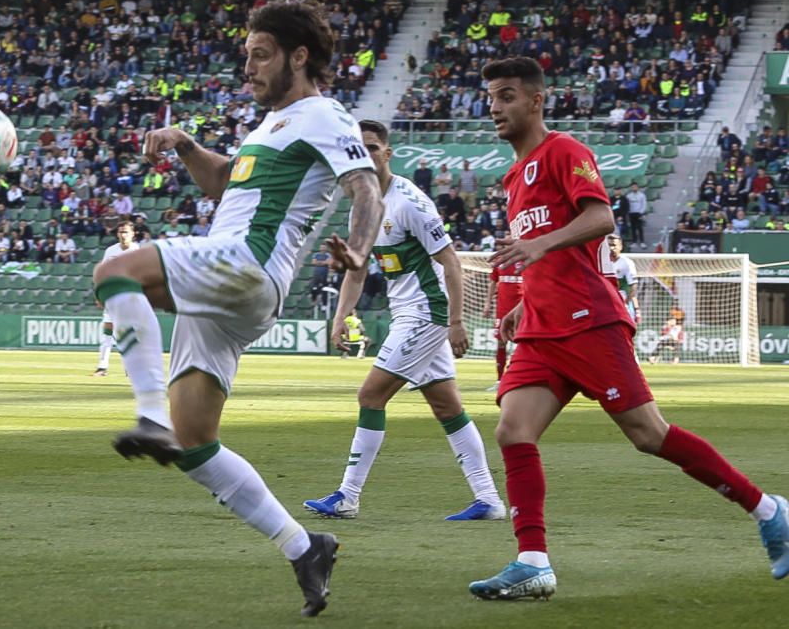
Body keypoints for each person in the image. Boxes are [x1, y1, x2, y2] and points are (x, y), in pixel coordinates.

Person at [91, 0, 384, 618]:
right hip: (238, 291)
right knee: (196, 443)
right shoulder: (270, 125)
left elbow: (366, 187)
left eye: (261, 55)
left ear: (297, 57)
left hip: (246, 261)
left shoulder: (324, 113)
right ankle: (304, 546)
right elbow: (225, 184)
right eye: (246, 55)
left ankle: (146, 415)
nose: (247, 67)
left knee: (115, 271)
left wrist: (358, 252)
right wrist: (186, 144)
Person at [467, 56, 788, 601]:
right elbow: (546, 252)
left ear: (535, 100)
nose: (494, 107)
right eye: (491, 98)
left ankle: (769, 510)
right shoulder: (512, 177)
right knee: (512, 431)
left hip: (588, 320)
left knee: (648, 435)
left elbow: (600, 219)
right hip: (543, 327)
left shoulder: (565, 152)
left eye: (506, 96)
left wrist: (539, 247)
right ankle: (533, 561)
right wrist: (524, 302)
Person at [303, 118, 504, 522]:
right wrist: (342, 315)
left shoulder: (410, 201)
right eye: (358, 149)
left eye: (372, 147)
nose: (366, 155)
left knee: (370, 396)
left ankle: (348, 495)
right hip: (407, 313)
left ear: (387, 153)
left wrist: (456, 322)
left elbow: (450, 261)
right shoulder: (363, 208)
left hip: (428, 314)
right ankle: (490, 500)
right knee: (447, 406)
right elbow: (356, 270)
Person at [93, 222, 137, 377]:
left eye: (126, 232)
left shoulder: (138, 251)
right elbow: (103, 273)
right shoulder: (111, 251)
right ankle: (102, 367)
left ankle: (130, 368)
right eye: (120, 232)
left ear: (133, 234)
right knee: (107, 333)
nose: (123, 235)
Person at [482, 262, 523, 390]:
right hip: (502, 308)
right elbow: (493, 282)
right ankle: (500, 380)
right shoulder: (500, 262)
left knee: (521, 342)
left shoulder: (524, 258)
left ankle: (514, 378)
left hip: (520, 308)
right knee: (501, 342)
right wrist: (487, 303)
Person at [608, 234, 640, 325]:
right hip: (607, 305)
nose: (611, 248)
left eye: (614, 245)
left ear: (620, 246)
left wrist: (626, 303)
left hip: (623, 304)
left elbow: (633, 286)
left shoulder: (627, 263)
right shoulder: (602, 263)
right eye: (609, 245)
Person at [625, 182, 648, 248]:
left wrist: (641, 212)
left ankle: (642, 242)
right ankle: (634, 242)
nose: (634, 188)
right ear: (631, 188)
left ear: (638, 187)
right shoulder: (628, 196)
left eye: (635, 187)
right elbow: (627, 205)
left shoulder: (642, 195)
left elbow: (644, 204)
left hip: (639, 213)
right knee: (633, 228)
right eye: (633, 187)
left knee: (640, 228)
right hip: (631, 214)